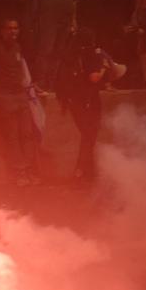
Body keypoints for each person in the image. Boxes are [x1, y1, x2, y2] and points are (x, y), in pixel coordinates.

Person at [0, 18, 41, 186]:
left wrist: (30, 86)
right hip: (4, 96)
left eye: (15, 28)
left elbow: (20, 69)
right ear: (2, 30)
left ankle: (28, 169)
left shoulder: (17, 47)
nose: (13, 31)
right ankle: (18, 172)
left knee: (27, 134)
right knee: (12, 135)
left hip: (20, 95)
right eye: (9, 28)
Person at [55, 29, 107, 181]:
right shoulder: (91, 54)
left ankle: (87, 170)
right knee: (89, 135)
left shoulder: (69, 55)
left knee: (88, 135)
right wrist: (104, 68)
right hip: (89, 100)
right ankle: (81, 170)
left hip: (74, 101)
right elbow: (94, 78)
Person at [35, 0, 78, 91]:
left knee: (58, 53)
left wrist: (73, 20)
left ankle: (51, 84)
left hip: (65, 20)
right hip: (49, 19)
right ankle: (40, 82)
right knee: (46, 50)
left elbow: (73, 1)